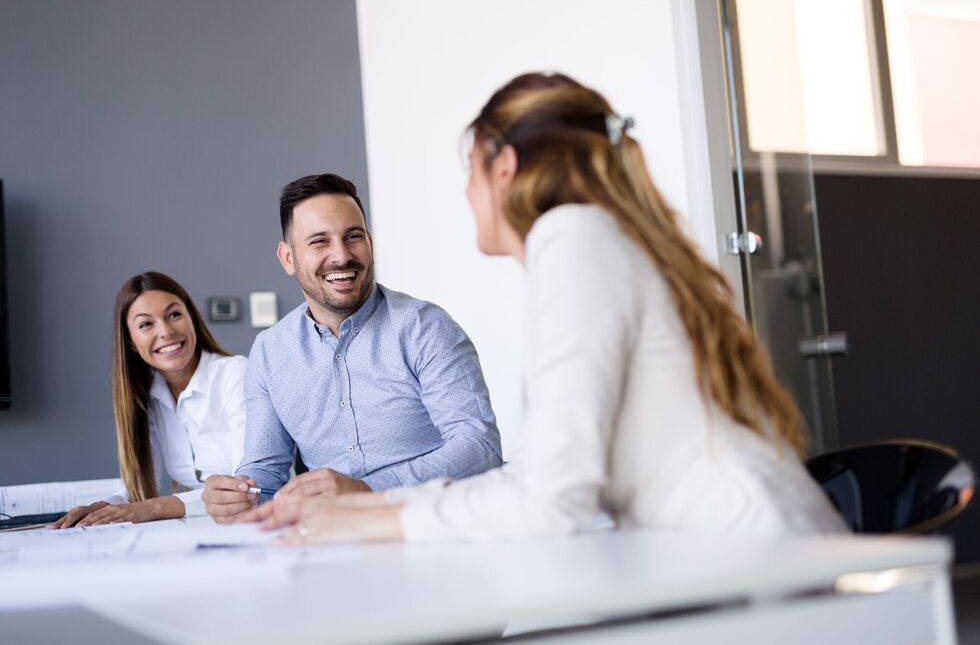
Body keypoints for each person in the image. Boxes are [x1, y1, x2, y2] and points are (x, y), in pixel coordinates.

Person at [239, 72, 847, 543]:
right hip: (730, 548)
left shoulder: (574, 242)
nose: (465, 192)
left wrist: (372, 515)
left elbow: (555, 497)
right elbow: (553, 480)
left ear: (503, 168)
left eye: (469, 171)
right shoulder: (596, 238)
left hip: (756, 562)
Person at [202, 174, 503, 522]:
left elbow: (480, 446)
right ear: (288, 258)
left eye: (353, 237)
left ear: (370, 243)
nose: (342, 256)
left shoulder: (425, 327)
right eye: (319, 242)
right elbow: (265, 474)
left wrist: (368, 490)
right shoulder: (270, 352)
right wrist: (238, 495)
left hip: (436, 525)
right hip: (334, 540)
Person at [51, 272, 247, 528]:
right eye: (146, 324)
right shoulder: (149, 395)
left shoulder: (235, 372)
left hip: (263, 523)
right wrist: (104, 507)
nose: (166, 331)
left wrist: (153, 507)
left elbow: (244, 487)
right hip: (208, 528)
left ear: (192, 319)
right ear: (131, 342)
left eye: (174, 314)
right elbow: (137, 489)